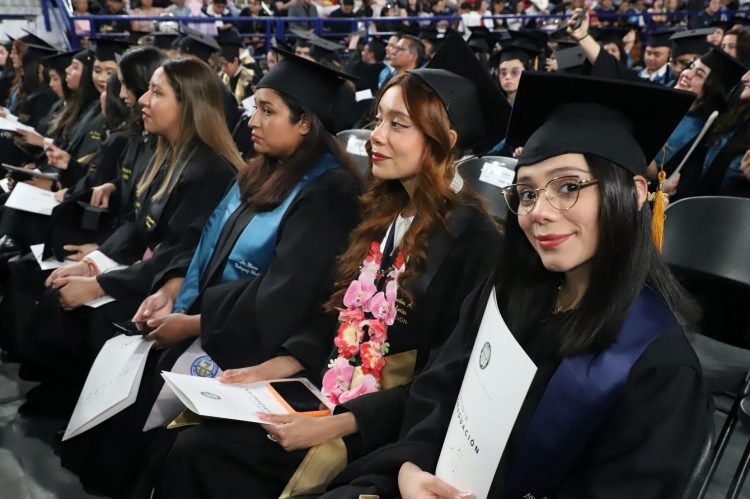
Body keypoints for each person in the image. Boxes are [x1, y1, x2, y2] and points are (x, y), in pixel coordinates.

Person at [142, 33, 510, 499]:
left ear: (445, 141)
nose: (376, 136)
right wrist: (272, 366)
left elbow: (442, 379)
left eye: (398, 124)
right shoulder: (386, 213)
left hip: (386, 432)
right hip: (328, 392)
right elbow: (336, 317)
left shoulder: (475, 242)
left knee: (202, 452)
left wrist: (335, 424)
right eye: (378, 119)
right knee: (190, 434)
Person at [323, 70, 711, 499]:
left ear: (635, 193)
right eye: (527, 193)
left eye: (568, 186)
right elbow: (437, 394)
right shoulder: (505, 294)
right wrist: (411, 467)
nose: (539, 211)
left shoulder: (659, 367)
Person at [57, 49, 363, 498]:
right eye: (255, 107)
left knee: (164, 419)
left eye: (268, 111)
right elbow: (205, 239)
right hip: (210, 319)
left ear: (304, 123)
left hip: (254, 343)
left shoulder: (330, 192)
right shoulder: (264, 168)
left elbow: (286, 294)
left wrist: (195, 323)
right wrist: (172, 288)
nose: (252, 120)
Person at [655, 48, 747, 181]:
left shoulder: (702, 131)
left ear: (712, 87)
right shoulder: (659, 102)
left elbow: (665, 175)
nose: (687, 74)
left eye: (699, 74)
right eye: (691, 67)